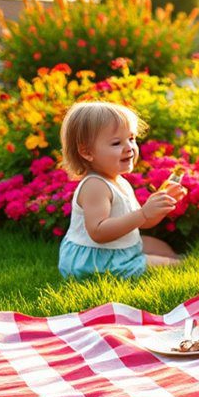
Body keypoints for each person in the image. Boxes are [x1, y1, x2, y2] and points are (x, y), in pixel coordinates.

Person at [58, 102, 184, 279]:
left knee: (161, 248)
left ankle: (176, 260)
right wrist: (143, 213)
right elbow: (98, 232)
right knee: (172, 266)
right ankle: (181, 266)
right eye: (117, 143)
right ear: (87, 152)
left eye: (131, 139)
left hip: (116, 251)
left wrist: (159, 206)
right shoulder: (95, 186)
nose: (129, 147)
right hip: (96, 263)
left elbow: (142, 222)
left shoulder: (118, 181)